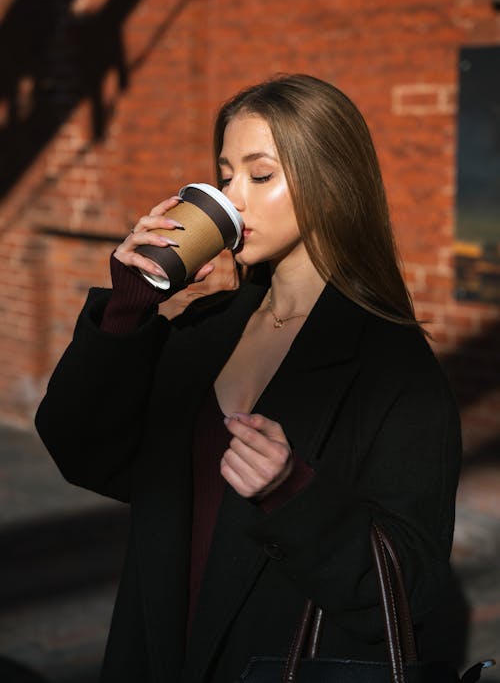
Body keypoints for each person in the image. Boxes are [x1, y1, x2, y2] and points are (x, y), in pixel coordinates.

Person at [35, 74, 461, 683]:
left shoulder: (393, 366)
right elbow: (83, 452)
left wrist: (292, 494)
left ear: (332, 181)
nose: (234, 199)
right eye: (225, 175)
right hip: (156, 653)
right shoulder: (209, 327)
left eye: (260, 175)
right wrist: (128, 309)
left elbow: (411, 586)